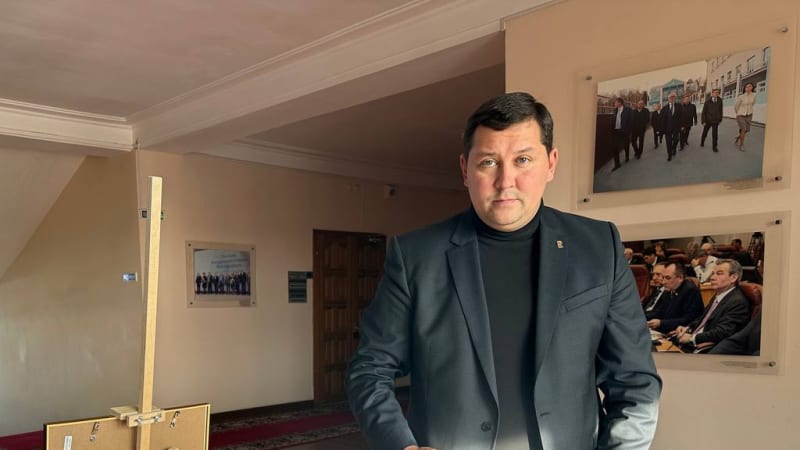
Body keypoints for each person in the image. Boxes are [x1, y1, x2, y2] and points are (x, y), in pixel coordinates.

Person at [346, 92, 661, 450]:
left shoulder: (599, 246)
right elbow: (369, 368)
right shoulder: (415, 255)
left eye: (523, 160)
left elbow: (635, 381)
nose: (505, 181)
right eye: (488, 162)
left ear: (551, 163)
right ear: (465, 169)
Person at [671, 259, 751, 352]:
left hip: (706, 349)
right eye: (712, 273)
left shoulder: (737, 302)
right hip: (691, 342)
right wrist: (688, 328)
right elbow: (704, 319)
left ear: (733, 277)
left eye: (719, 273)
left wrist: (692, 338)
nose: (712, 277)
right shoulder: (719, 295)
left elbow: (723, 332)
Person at [646, 262, 704, 334]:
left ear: (680, 278)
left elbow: (689, 320)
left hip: (680, 333)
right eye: (663, 277)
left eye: (668, 278)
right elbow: (660, 311)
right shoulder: (669, 289)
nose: (663, 282)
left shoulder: (690, 290)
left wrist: (661, 323)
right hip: (665, 329)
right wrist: (641, 317)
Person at [610, 97, 632, 171]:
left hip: (624, 131)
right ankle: (617, 164)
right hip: (616, 132)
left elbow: (630, 121)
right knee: (614, 148)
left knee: (626, 145)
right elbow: (613, 120)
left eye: (615, 102)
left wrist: (628, 131)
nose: (614, 103)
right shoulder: (615, 110)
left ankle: (627, 157)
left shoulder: (628, 110)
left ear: (619, 103)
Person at [734, 82, 757, 152]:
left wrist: (749, 111)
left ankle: (738, 138)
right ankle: (741, 145)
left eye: (750, 86)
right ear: (745, 88)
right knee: (743, 129)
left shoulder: (754, 95)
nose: (748, 88)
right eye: (747, 87)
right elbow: (736, 106)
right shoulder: (741, 96)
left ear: (752, 87)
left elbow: (753, 103)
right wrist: (738, 113)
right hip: (741, 115)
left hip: (749, 114)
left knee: (747, 130)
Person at [660, 92, 682, 161]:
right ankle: (669, 155)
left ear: (675, 98)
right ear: (668, 98)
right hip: (667, 129)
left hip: (676, 127)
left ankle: (673, 148)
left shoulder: (679, 106)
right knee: (668, 143)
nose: (672, 98)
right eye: (671, 97)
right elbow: (662, 120)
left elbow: (682, 116)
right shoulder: (664, 108)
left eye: (673, 97)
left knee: (676, 140)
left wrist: (682, 126)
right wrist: (662, 130)